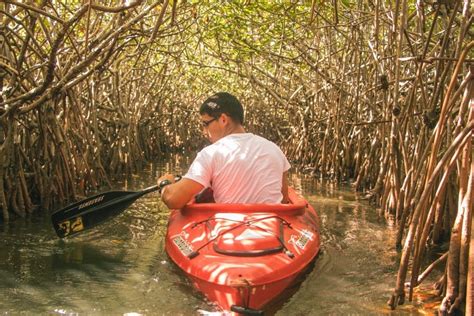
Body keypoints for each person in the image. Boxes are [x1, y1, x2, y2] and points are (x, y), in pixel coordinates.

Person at [157, 92, 290, 209]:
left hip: (229, 231)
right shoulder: (274, 149)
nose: (204, 131)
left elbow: (173, 200)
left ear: (223, 120)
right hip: (272, 228)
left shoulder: (211, 153)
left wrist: (165, 183)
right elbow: (284, 200)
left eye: (205, 124)